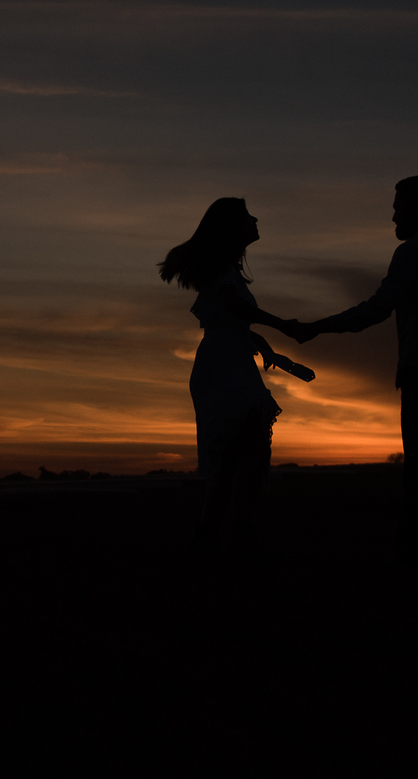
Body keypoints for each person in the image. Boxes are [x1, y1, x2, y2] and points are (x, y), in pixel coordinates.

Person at [291, 176, 418, 577]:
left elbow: (377, 309)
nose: (393, 215)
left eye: (399, 206)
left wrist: (319, 327)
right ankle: (415, 555)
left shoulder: (412, 253)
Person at [160, 197, 304, 558]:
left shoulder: (224, 271)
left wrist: (263, 345)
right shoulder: (224, 275)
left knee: (234, 456)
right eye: (246, 217)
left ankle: (211, 537)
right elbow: (232, 307)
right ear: (231, 228)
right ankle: (240, 535)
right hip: (225, 367)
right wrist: (280, 324)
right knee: (248, 454)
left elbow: (228, 321)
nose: (255, 219)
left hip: (227, 361)